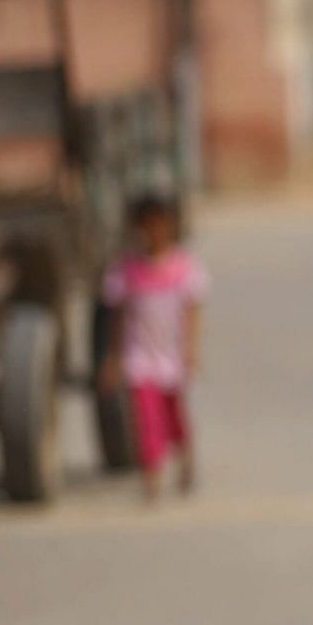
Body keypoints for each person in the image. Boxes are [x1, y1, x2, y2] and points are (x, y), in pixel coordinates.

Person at [100, 191, 208, 501]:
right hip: (140, 357)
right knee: (147, 419)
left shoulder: (184, 268)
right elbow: (118, 318)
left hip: (171, 355)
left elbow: (193, 312)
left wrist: (191, 351)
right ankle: (152, 476)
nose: (153, 233)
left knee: (174, 418)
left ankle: (185, 458)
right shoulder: (127, 271)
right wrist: (113, 357)